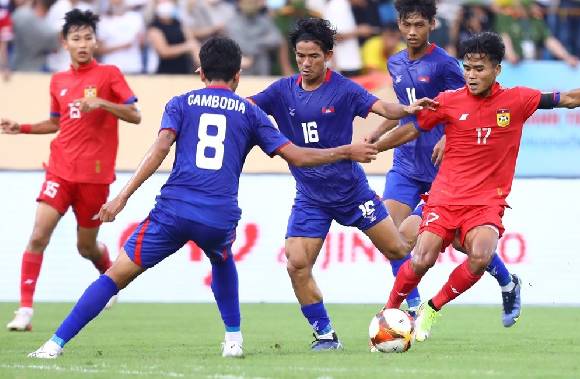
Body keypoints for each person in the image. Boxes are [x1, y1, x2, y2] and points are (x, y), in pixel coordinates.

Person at [25, 36, 380, 359]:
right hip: (218, 216)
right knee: (222, 257)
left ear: (200, 72)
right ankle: (233, 339)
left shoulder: (180, 103)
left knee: (114, 276)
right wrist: (346, 151)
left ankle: (53, 345)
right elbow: (299, 156)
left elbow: (159, 149)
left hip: (173, 211)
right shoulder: (251, 112)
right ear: (237, 75)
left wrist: (121, 197)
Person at [377, 31, 580, 342]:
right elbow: (411, 129)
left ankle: (431, 309)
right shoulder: (449, 101)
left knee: (480, 256)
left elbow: (570, 99)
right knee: (421, 258)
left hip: (485, 201)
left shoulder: (518, 99)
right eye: (467, 68)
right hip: (444, 196)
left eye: (479, 68)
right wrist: (375, 147)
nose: (471, 75)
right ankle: (388, 312)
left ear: (497, 69)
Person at [248, 17, 434, 351]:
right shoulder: (280, 91)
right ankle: (325, 335)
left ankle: (415, 305)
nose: (306, 63)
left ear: (328, 56)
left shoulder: (343, 89)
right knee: (296, 263)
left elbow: (380, 106)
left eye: (313, 57)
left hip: (352, 192)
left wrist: (405, 108)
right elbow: (246, 107)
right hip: (311, 197)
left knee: (397, 248)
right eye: (301, 56)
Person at [367, 0, 520, 327]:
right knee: (389, 235)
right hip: (406, 164)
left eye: (419, 24)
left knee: (457, 242)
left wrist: (448, 137)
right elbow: (405, 108)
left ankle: (506, 280)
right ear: (398, 24)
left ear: (432, 24)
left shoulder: (445, 65)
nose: (412, 31)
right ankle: (412, 305)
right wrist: (375, 138)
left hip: (443, 171)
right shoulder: (395, 63)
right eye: (406, 24)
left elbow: (468, 104)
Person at [2, 9, 141, 332]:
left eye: (88, 38)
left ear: (95, 42)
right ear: (64, 43)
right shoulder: (58, 80)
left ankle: (106, 272)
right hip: (60, 171)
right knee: (38, 235)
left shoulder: (109, 74)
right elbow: (55, 122)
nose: (82, 44)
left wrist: (103, 104)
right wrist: (20, 127)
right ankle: (24, 311)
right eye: (76, 38)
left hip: (94, 177)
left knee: (86, 247)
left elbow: (135, 115)